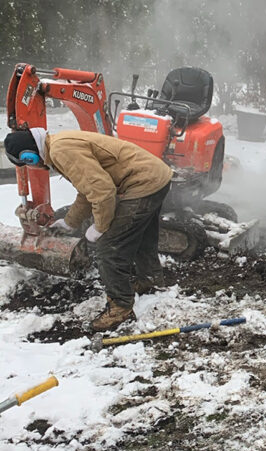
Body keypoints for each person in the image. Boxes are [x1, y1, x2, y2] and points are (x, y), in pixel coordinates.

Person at [4, 128, 173, 332]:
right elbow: (86, 192)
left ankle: (121, 308)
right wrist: (69, 222)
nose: (33, 166)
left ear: (30, 153)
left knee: (109, 248)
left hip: (141, 183)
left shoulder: (60, 151)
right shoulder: (58, 145)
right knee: (142, 234)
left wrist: (100, 227)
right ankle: (150, 279)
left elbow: (102, 192)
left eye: (28, 162)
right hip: (156, 177)